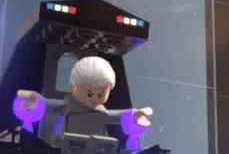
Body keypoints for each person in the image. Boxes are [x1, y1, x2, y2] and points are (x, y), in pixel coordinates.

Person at [17, 56, 152, 137]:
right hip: (64, 150)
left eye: (101, 94)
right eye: (89, 94)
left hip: (97, 152)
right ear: (74, 88)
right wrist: (37, 103)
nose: (94, 99)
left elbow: (118, 116)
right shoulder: (68, 107)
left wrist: (134, 116)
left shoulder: (101, 112)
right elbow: (49, 106)